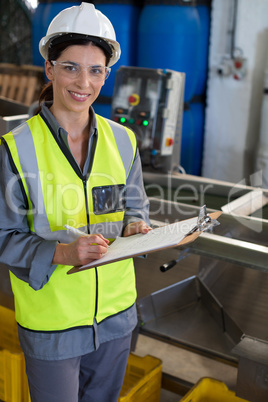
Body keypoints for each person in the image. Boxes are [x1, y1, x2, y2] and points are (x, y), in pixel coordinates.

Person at [0, 3, 150, 401]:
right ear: (49, 68)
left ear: (107, 73)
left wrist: (137, 226)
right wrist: (63, 253)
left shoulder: (123, 140)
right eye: (70, 67)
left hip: (117, 318)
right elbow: (3, 236)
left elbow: (134, 207)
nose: (83, 81)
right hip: (54, 324)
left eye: (96, 69)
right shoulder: (15, 150)